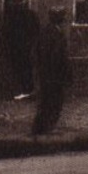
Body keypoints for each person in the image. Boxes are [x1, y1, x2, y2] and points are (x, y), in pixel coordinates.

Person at [30, 7, 71, 136]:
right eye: (62, 16)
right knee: (53, 102)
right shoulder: (54, 34)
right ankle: (44, 128)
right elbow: (57, 56)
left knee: (48, 101)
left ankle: (42, 128)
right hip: (53, 75)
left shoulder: (46, 31)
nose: (64, 19)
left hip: (48, 73)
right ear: (58, 18)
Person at [3, 0, 38, 100]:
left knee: (16, 69)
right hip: (27, 47)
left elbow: (5, 32)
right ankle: (27, 91)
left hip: (14, 47)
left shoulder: (8, 16)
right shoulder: (31, 14)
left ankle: (19, 91)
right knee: (26, 69)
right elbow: (36, 31)